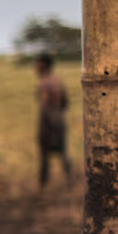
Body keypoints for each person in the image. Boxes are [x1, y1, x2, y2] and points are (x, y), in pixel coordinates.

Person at [34, 52, 72, 188]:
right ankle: (69, 181)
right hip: (59, 120)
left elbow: (45, 105)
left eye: (37, 63)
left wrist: (46, 125)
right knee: (63, 153)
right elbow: (65, 103)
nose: (35, 67)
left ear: (43, 65)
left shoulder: (44, 83)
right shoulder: (57, 80)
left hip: (49, 122)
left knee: (45, 155)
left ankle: (42, 186)